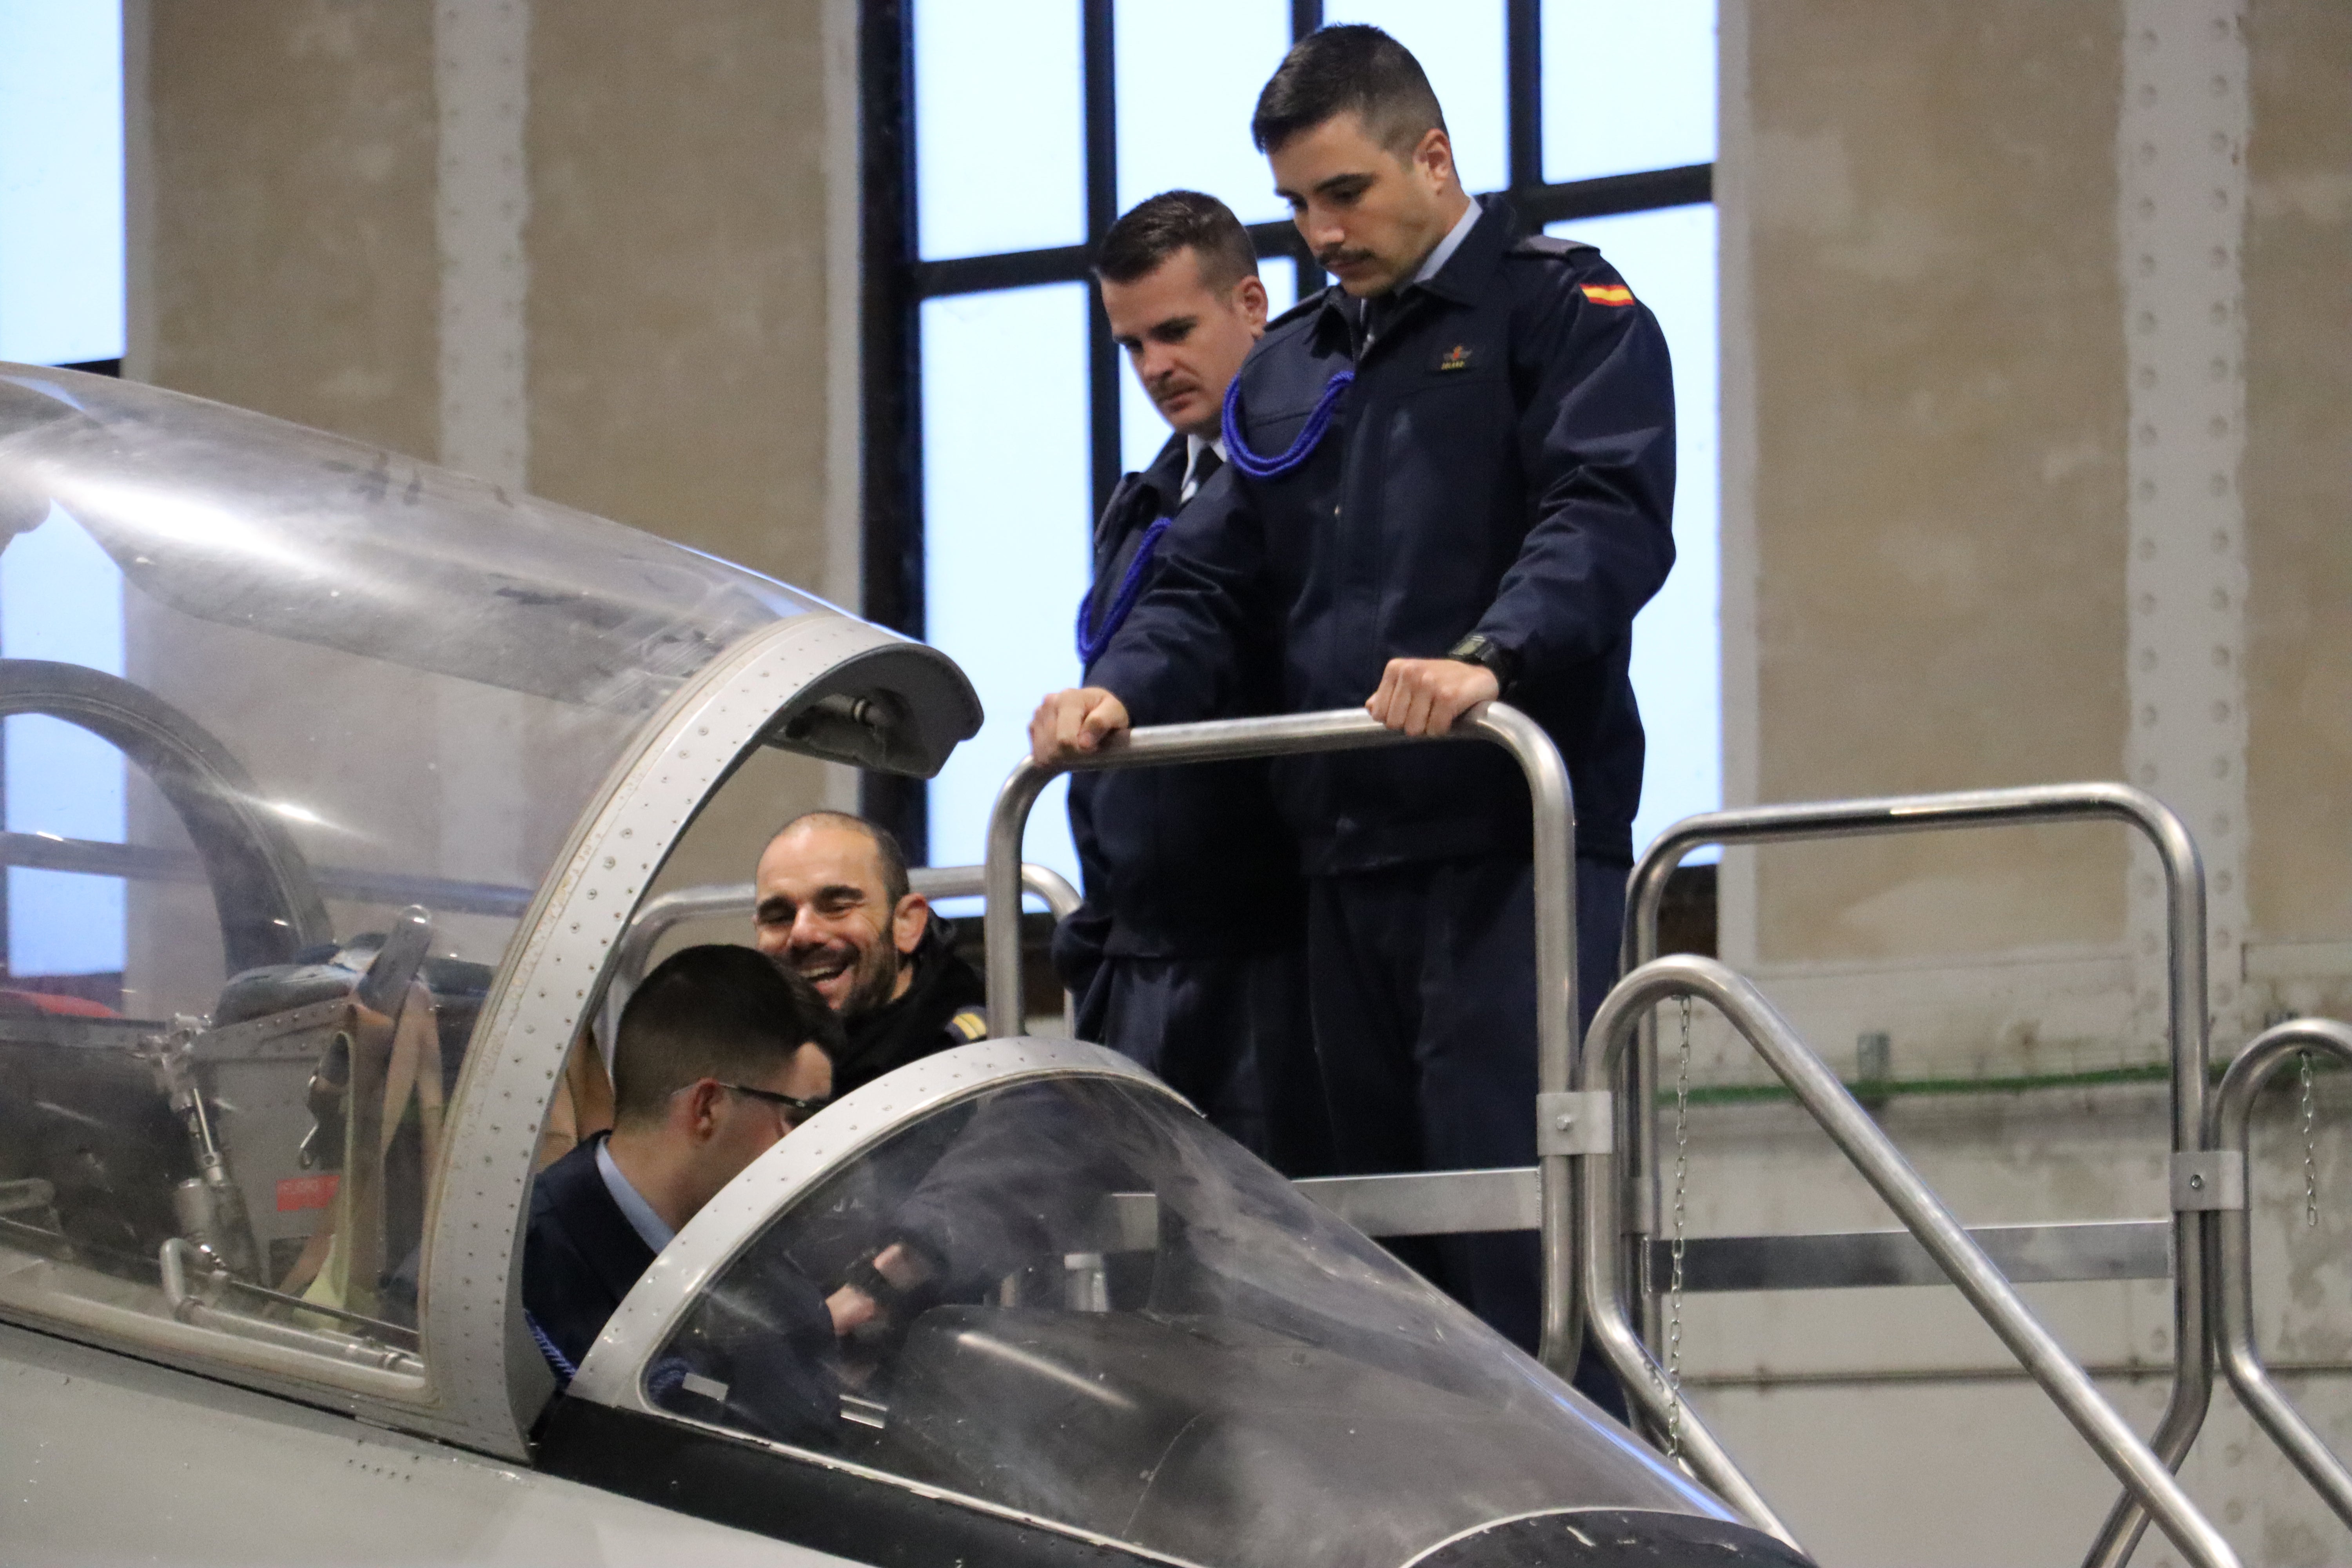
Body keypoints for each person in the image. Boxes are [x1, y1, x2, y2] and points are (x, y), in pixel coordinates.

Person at [1027, 25, 1674, 1405]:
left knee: (1530, 1262)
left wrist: (1490, 655)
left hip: (1512, 857)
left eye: (1347, 194)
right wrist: (1117, 687)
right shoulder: (1295, 367)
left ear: (1433, 159)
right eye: (1301, 206)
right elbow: (1208, 575)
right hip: (1344, 874)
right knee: (1383, 1278)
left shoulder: (1563, 312)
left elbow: (1607, 518)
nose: (1323, 232)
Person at [1060, 190, 1328, 1176]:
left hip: (1277, 947)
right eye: (1131, 346)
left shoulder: (1317, 471)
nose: (1154, 367)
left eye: (1175, 331)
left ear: (1252, 306)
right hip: (1143, 953)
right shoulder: (1142, 504)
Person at [523, 943, 841, 1375]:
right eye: (796, 1119)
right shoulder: (506, 1284)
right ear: (708, 1107)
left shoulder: (788, 1304)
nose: (813, 1157)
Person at [752, 810, 987, 1098]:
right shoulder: (737, 1054)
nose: (802, 934)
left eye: (837, 907)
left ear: (907, 924)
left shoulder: (979, 1068)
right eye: (778, 917)